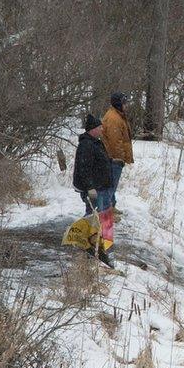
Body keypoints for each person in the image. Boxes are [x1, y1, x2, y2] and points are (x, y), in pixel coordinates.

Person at [72, 114, 115, 268]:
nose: (101, 129)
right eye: (99, 127)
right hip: (95, 189)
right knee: (93, 218)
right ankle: (90, 247)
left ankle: (107, 246)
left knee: (106, 217)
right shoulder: (86, 145)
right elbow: (84, 169)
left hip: (103, 187)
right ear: (92, 129)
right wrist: (89, 187)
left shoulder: (96, 142)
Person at [101, 92, 134, 214]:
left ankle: (112, 207)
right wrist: (119, 159)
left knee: (112, 185)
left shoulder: (118, 115)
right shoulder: (114, 119)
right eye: (124, 103)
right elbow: (115, 142)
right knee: (110, 187)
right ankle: (106, 212)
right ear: (119, 104)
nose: (126, 106)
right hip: (113, 158)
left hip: (114, 157)